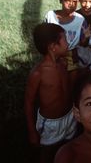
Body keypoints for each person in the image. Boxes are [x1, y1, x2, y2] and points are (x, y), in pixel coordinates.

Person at [25, 23, 77, 163]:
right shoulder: (38, 73)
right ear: (53, 47)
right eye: (65, 39)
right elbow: (29, 102)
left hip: (69, 116)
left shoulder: (63, 64)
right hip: (50, 124)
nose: (68, 42)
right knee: (47, 152)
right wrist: (32, 131)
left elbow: (67, 88)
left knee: (67, 147)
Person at [44, 0, 88, 78]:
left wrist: (86, 38)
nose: (71, 4)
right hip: (53, 54)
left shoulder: (80, 20)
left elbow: (83, 43)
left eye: (75, 1)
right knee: (54, 79)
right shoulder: (50, 16)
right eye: (67, 0)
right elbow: (44, 38)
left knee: (72, 82)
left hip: (72, 56)